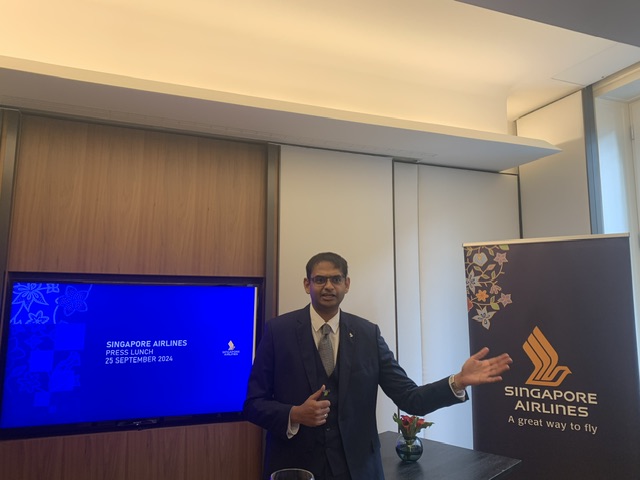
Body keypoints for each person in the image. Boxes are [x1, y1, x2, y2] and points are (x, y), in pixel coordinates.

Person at [244, 252, 512, 480]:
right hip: (296, 468)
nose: (328, 286)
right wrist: (294, 414)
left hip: (358, 469)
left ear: (347, 284)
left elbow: (410, 397)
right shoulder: (278, 332)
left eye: (336, 279)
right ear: (307, 284)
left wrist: (458, 381)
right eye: (320, 279)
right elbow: (253, 404)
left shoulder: (368, 335)